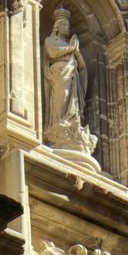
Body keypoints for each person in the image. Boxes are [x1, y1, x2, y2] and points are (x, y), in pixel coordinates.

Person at [43, 8, 96, 155]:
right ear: (57, 27)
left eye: (68, 26)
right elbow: (52, 53)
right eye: (64, 26)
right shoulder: (51, 40)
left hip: (72, 73)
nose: (67, 28)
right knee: (61, 100)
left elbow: (82, 66)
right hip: (59, 73)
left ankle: (72, 128)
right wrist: (71, 48)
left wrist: (77, 52)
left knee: (74, 103)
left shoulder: (72, 46)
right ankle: (58, 126)